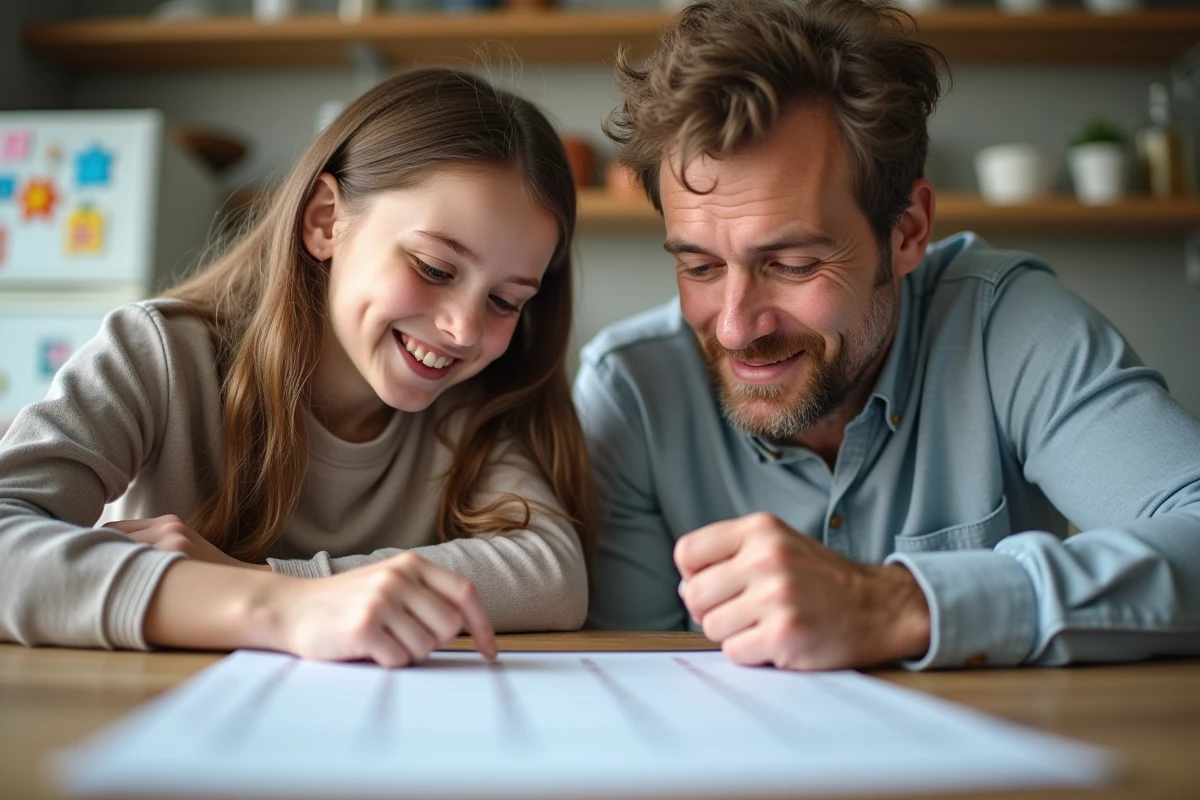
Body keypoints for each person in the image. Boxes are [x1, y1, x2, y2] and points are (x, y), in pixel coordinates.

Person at [574, 0, 1200, 670]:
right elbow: (637, 673)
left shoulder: (1006, 325)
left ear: (907, 232)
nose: (734, 325)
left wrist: (899, 604)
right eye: (698, 266)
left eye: (791, 264)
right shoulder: (631, 391)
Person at [0, 67, 595, 668]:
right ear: (323, 221)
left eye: (504, 302)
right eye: (434, 269)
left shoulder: (478, 406)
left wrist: (275, 580)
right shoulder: (158, 353)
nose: (464, 330)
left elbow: (552, 576)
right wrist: (277, 606)